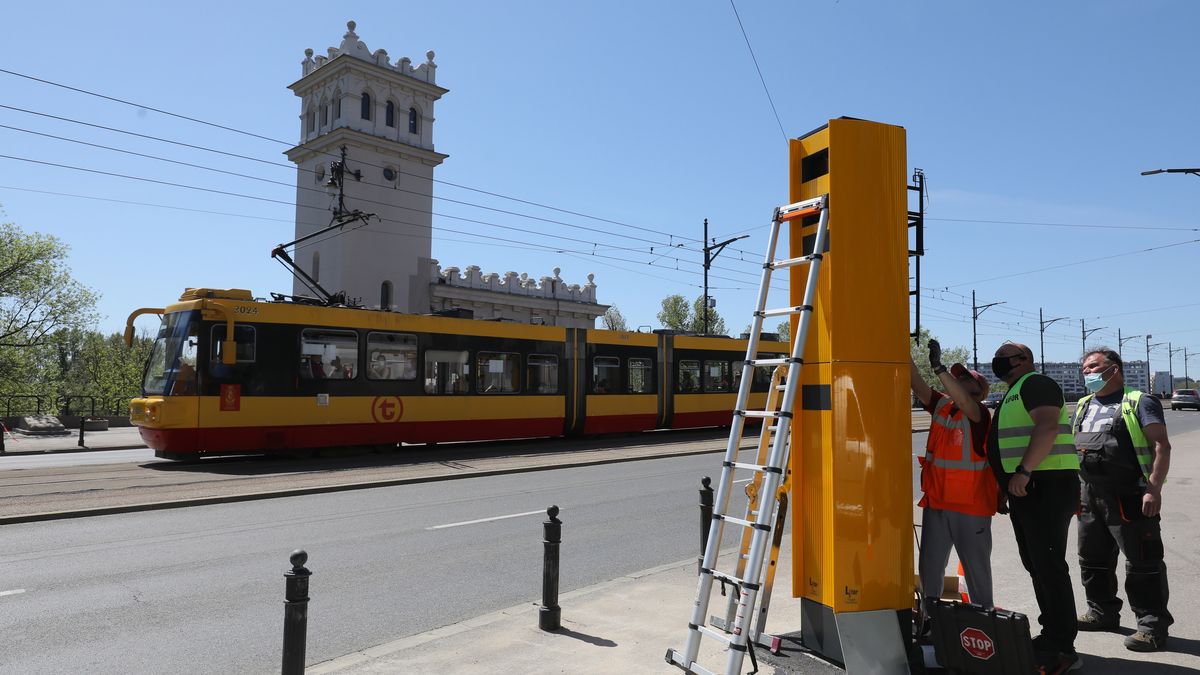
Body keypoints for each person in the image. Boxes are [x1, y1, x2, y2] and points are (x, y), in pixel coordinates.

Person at [987, 341, 1082, 672]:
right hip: (1028, 489)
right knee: (1037, 565)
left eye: (1001, 358)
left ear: (1022, 359)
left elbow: (1047, 427)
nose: (996, 362)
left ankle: (1063, 648)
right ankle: (1051, 634)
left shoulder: (1036, 384)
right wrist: (1006, 486)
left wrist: (1024, 472)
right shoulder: (1015, 391)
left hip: (1046, 485)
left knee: (1049, 566)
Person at [1073, 348, 1173, 651]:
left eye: (1093, 367)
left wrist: (1153, 488)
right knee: (1093, 559)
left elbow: (1162, 446)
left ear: (1113, 369)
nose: (1087, 373)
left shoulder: (1139, 401)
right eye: (1084, 369)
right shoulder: (1083, 405)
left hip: (1129, 494)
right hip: (1090, 494)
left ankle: (1152, 627)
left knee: (1143, 562)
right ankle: (1102, 612)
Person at [909, 340, 998, 629]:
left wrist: (939, 368)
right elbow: (918, 385)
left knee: (976, 572)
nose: (956, 380)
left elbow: (964, 403)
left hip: (971, 507)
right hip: (938, 504)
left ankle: (983, 624)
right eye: (955, 377)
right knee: (930, 569)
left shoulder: (980, 415)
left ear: (977, 392)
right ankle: (929, 621)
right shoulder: (942, 406)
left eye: (963, 379)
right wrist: (901, 351)